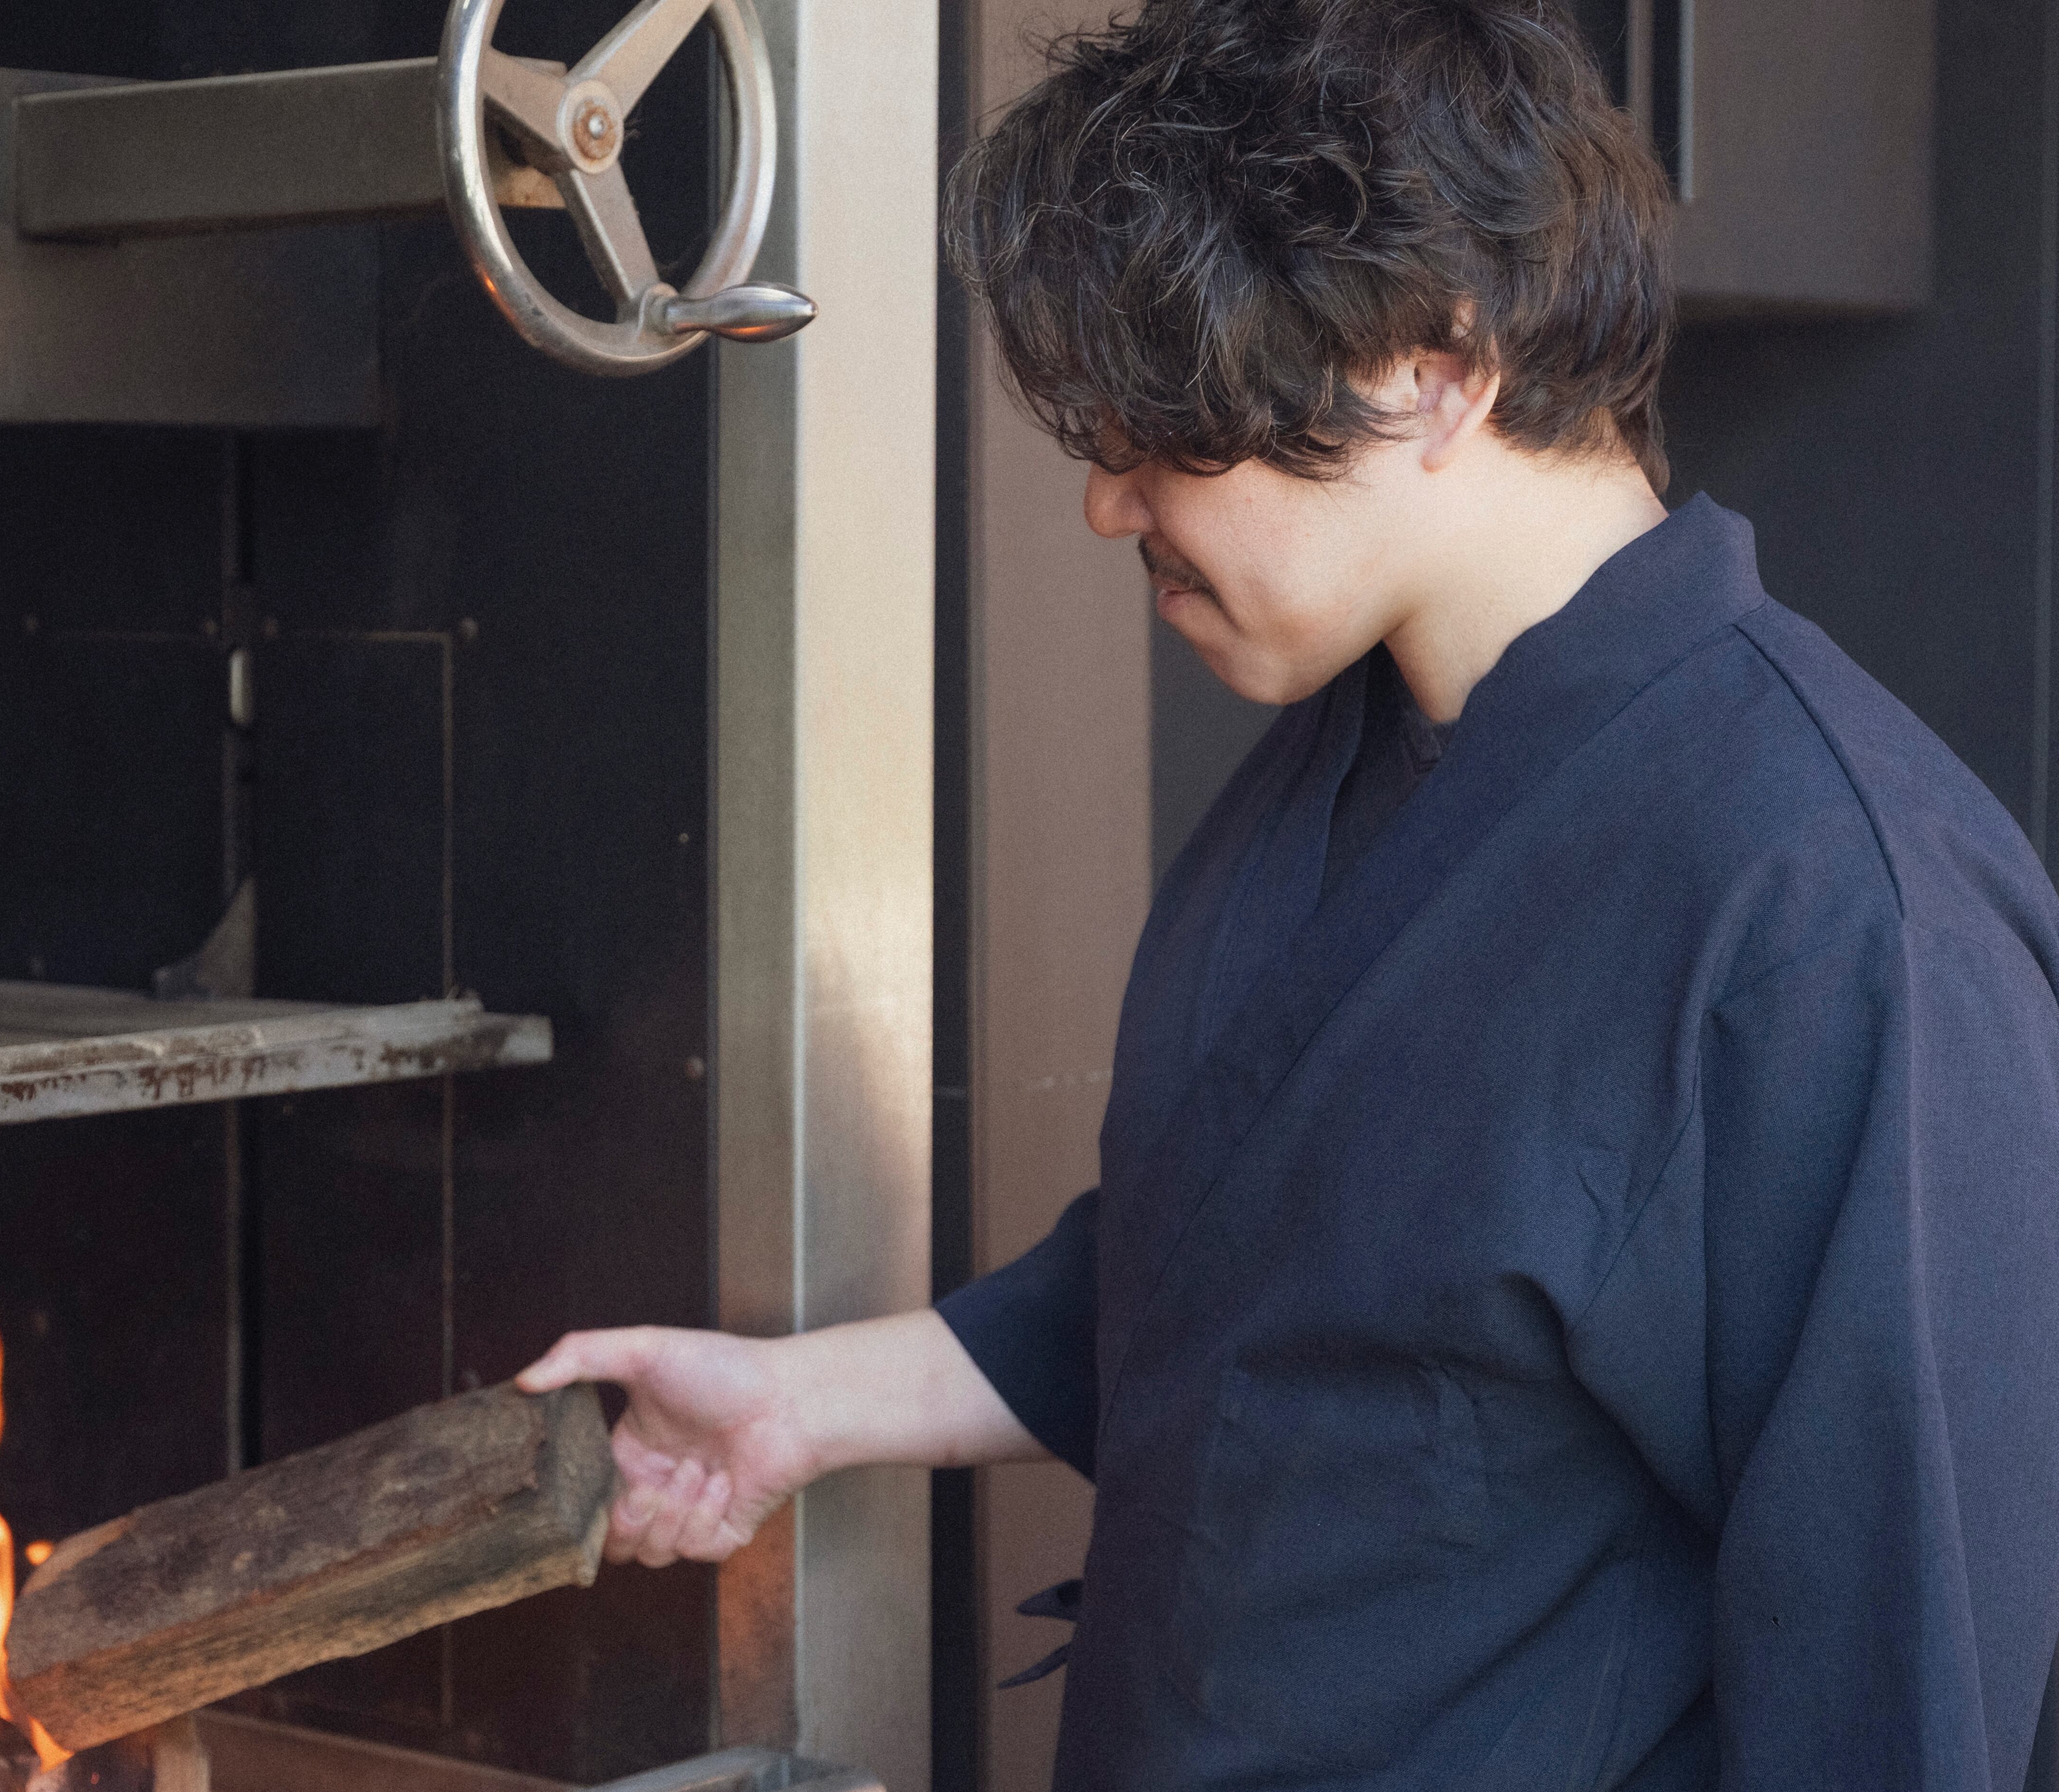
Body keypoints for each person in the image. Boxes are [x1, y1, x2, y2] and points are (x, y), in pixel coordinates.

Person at [519, 0, 2059, 1784]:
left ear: (1434, 363)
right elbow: (1264, 1294)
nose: (1109, 503)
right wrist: (798, 1403)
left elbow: (1895, 1702)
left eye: (1168, 431)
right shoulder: (1350, 746)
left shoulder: (1840, 917)